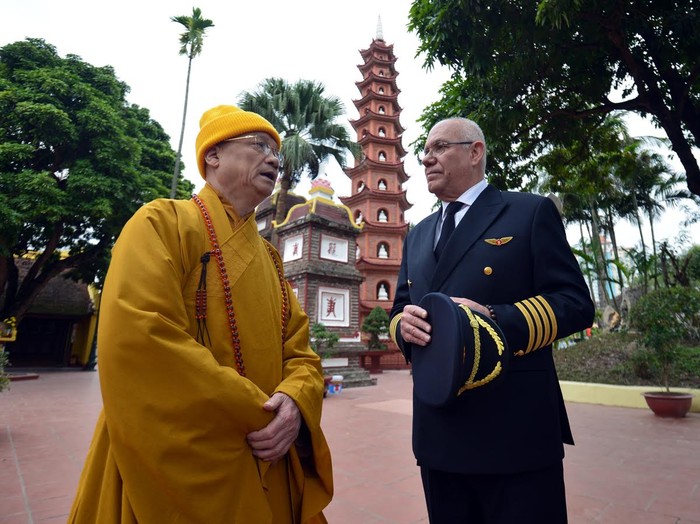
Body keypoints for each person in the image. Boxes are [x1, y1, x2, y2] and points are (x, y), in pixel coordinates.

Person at [69, 105, 333, 524]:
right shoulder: (160, 222)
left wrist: (295, 404)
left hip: (269, 452)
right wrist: (262, 414)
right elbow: (143, 339)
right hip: (175, 454)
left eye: (276, 152)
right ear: (213, 155)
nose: (273, 158)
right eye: (259, 145)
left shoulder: (271, 258)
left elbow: (301, 353)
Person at [389, 117, 594, 523]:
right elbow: (400, 306)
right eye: (424, 152)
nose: (427, 159)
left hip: (513, 428)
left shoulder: (528, 212)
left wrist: (494, 320)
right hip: (439, 429)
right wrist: (403, 326)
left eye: (439, 148)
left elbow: (574, 302)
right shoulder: (418, 233)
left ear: (475, 151)